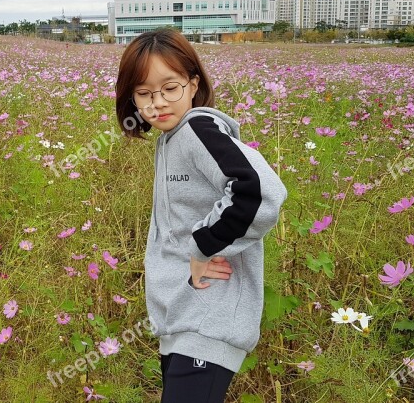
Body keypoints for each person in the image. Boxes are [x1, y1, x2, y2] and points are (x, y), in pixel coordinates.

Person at [114, 29, 288, 403]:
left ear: (193, 84)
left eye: (170, 88)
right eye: (143, 93)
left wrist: (201, 248)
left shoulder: (197, 129)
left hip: (210, 320)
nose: (157, 103)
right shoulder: (171, 138)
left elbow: (259, 192)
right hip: (183, 317)